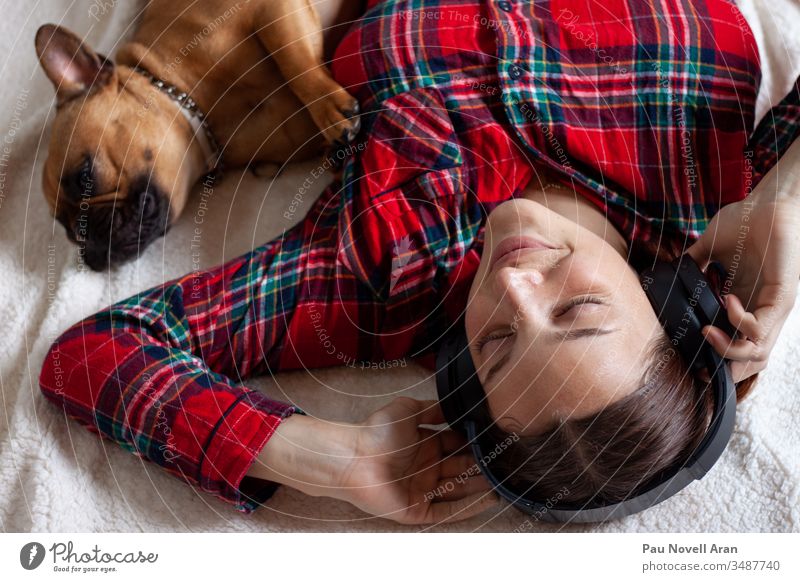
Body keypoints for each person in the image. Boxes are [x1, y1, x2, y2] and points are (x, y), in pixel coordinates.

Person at [39, 0, 800, 525]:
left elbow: (90, 358)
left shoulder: (381, 275)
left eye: (497, 348)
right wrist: (788, 204)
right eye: (577, 311)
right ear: (669, 304)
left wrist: (333, 459)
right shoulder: (713, 199)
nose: (512, 284)